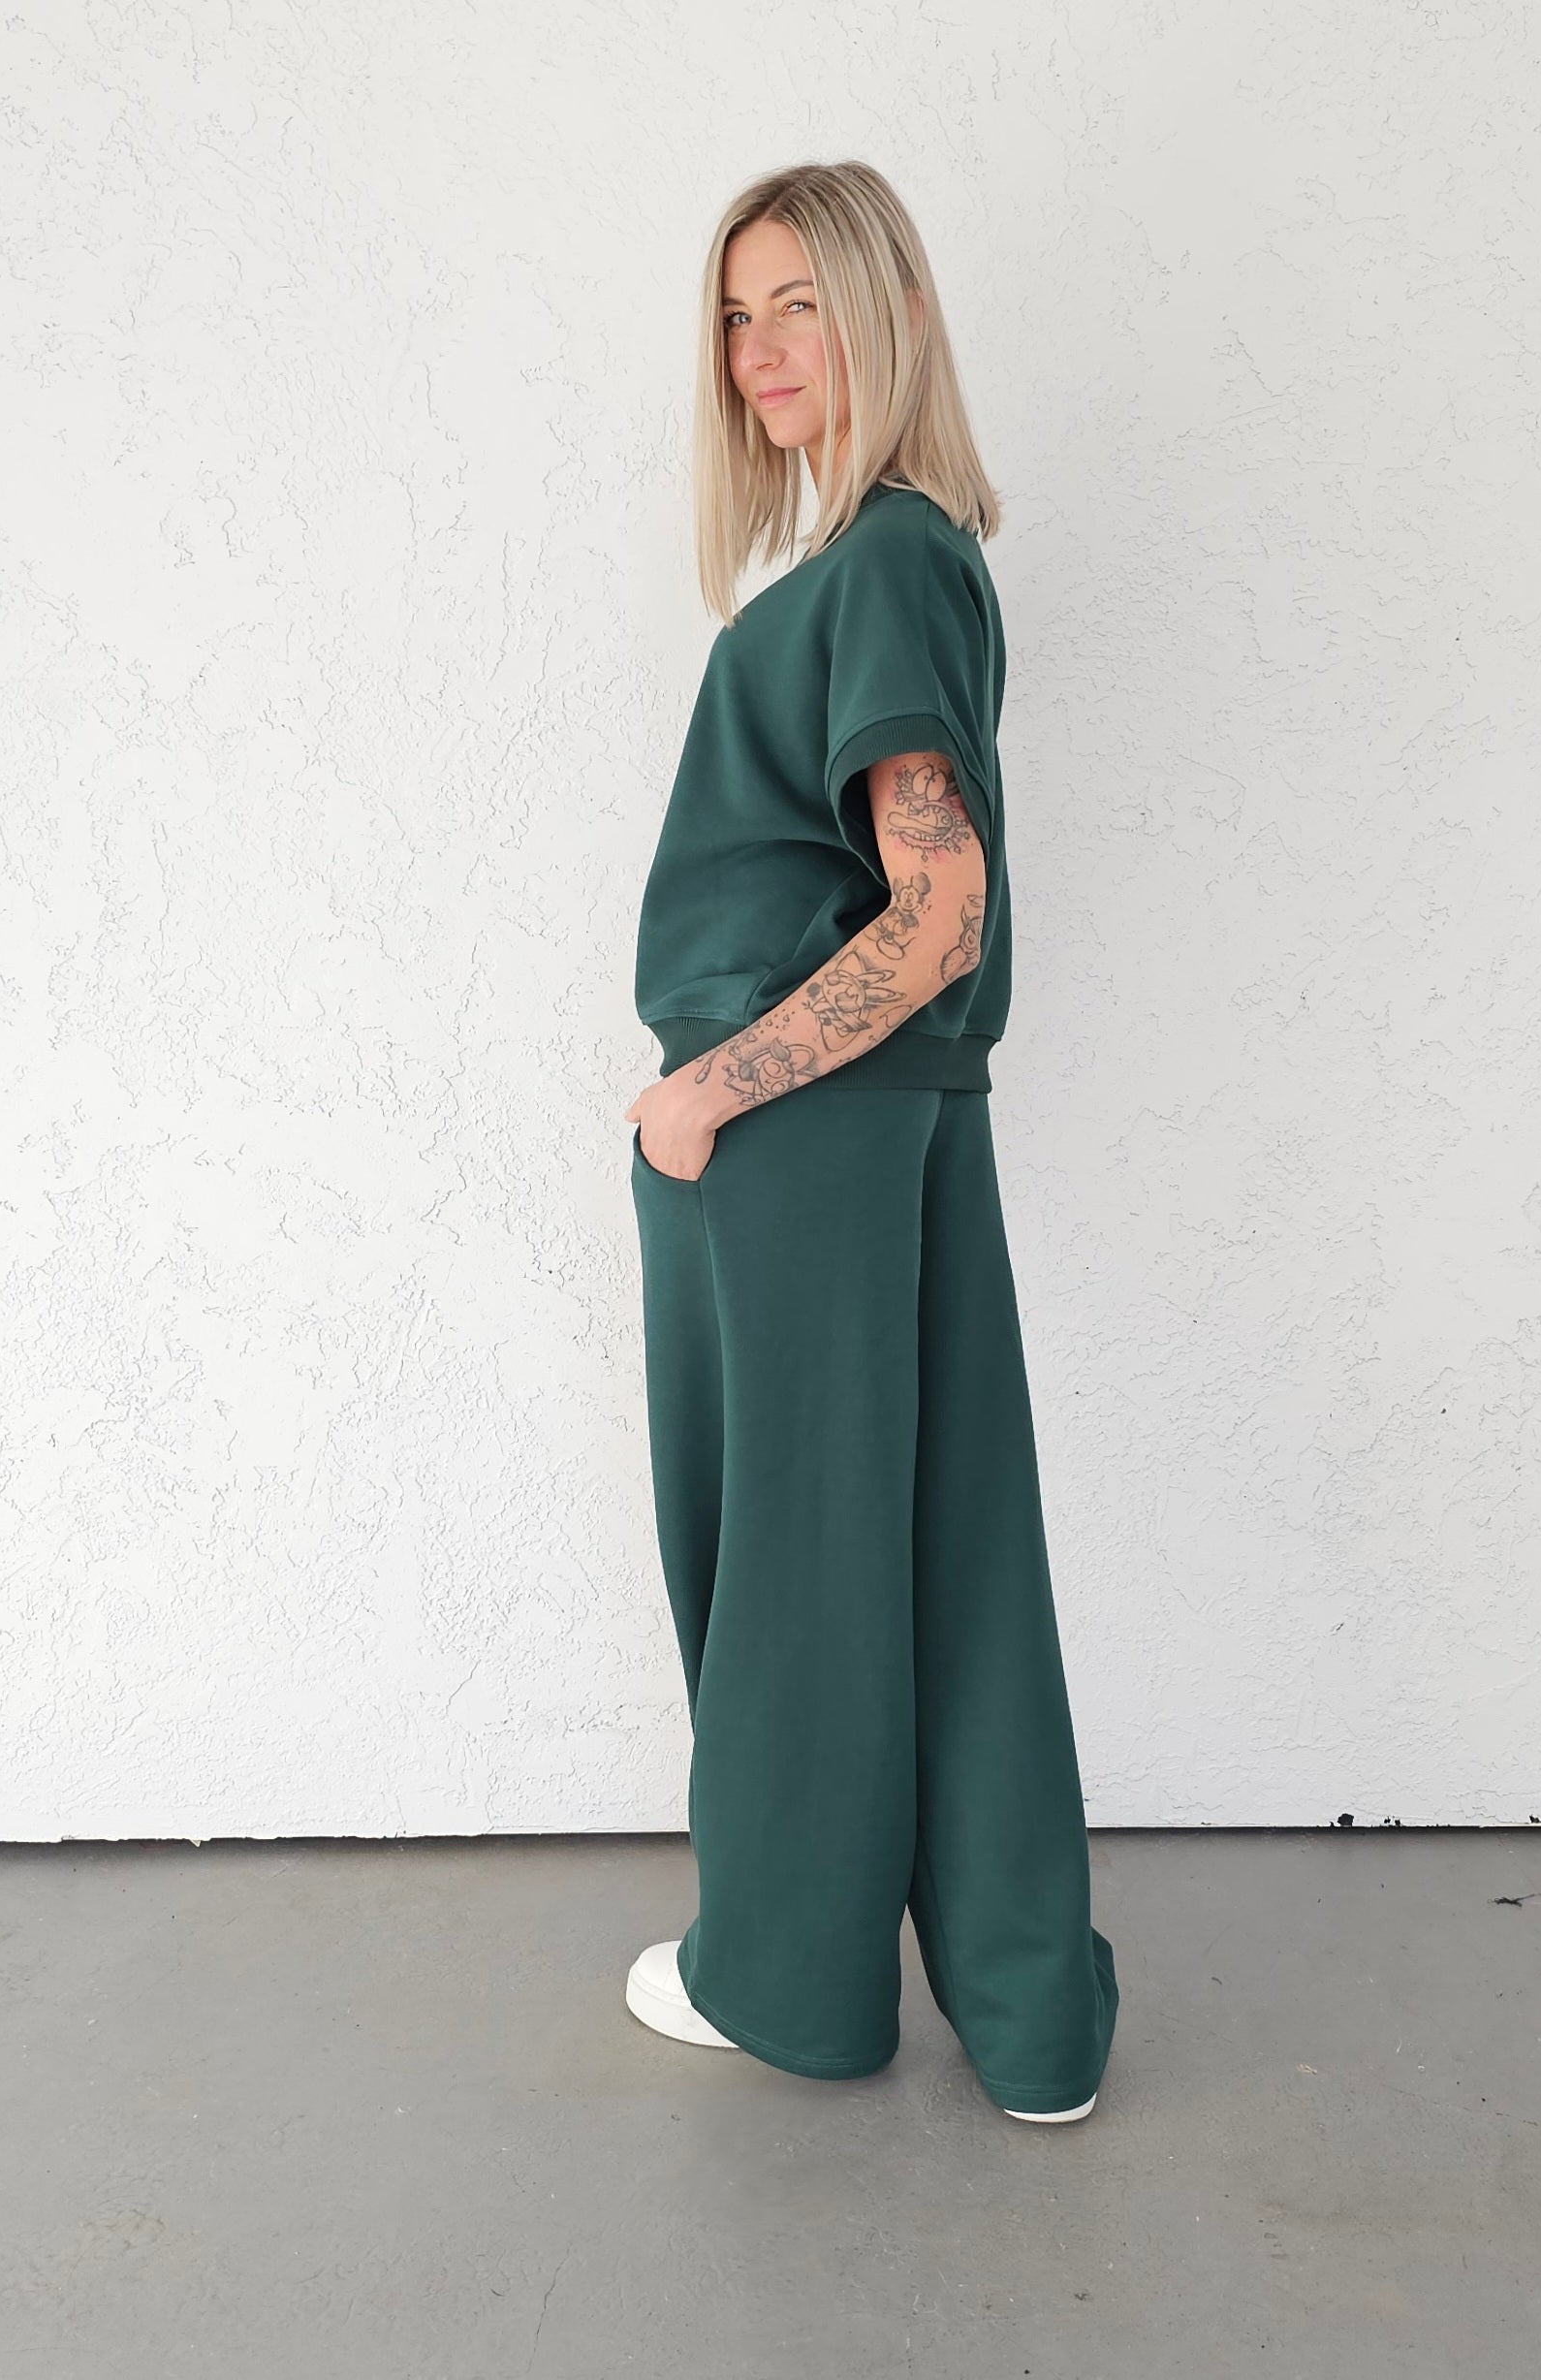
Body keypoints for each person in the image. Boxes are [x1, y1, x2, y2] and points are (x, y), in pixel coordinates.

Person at [621, 161, 1118, 2123]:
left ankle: (785, 1978)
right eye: (734, 316)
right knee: (948, 1558)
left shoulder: (885, 562)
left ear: (886, 314)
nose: (757, 352)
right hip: (897, 1121)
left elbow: (938, 914)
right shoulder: (902, 557)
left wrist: (706, 1091)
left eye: (798, 305)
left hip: (796, 1136)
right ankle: (1033, 2018)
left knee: (796, 1576)